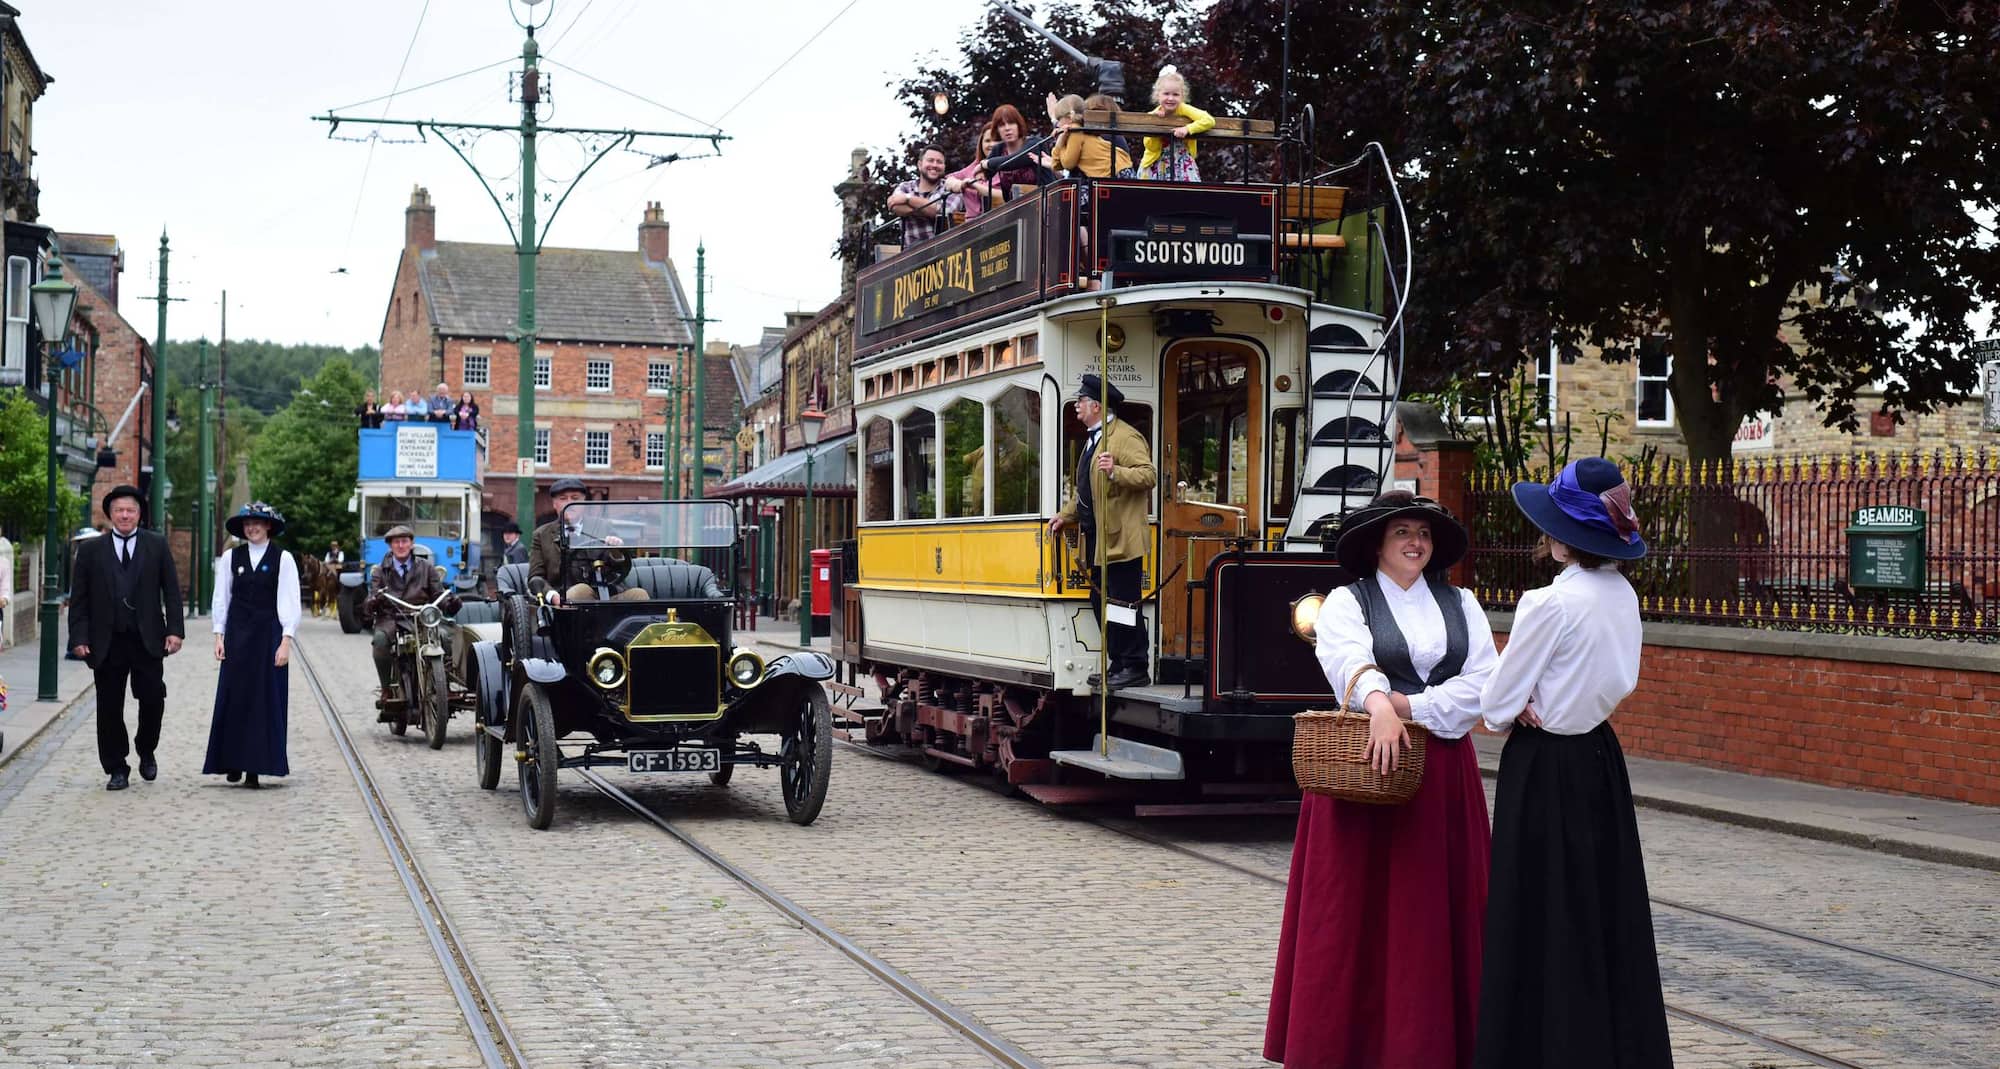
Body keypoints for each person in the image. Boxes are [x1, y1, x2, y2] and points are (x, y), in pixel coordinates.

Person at [1263, 491, 1498, 1069]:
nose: (1416, 543)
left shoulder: (1461, 602)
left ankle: (1434, 1044)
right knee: (1354, 914)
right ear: (1379, 544)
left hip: (1442, 772)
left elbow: (1486, 682)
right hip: (1366, 767)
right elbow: (1345, 660)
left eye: (1423, 533)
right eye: (1403, 533)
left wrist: (1406, 706)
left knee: (1433, 913)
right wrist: (1379, 704)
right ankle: (1345, 1045)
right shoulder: (1348, 601)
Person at [1474, 458, 1672, 1069]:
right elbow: (1620, 682)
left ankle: (1540, 1049)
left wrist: (1528, 703)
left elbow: (1496, 705)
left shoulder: (1546, 605)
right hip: (1599, 756)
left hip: (1544, 766)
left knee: (1542, 913)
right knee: (1600, 908)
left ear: (1564, 535)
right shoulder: (1624, 595)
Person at [67, 485, 186, 791]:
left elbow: (171, 591)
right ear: (109, 514)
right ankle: (116, 766)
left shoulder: (156, 545)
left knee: (152, 698)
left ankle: (146, 749)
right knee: (108, 706)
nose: (124, 515)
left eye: (130, 510)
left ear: (139, 514)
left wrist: (175, 629)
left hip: (148, 639)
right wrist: (79, 637)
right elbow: (79, 599)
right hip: (106, 641)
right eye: (119, 510)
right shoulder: (92, 551)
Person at [1047, 374, 1156, 689]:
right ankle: (1119, 663)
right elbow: (1087, 489)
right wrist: (1065, 515)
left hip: (1121, 538)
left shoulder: (1124, 437)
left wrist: (1116, 471)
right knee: (1102, 603)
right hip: (1099, 538)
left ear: (1096, 405)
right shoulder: (1095, 438)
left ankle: (1135, 666)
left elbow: (1148, 476)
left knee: (1122, 603)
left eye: (1081, 401)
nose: (1077, 406)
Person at [203, 503, 299, 788]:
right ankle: (232, 760)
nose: (252, 528)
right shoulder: (232, 557)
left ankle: (256, 767)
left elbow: (289, 600)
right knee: (235, 697)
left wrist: (286, 640)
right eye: (247, 524)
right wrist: (219, 635)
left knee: (263, 699)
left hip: (268, 633)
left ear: (268, 526)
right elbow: (222, 597)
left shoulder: (283, 559)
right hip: (238, 634)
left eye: (257, 523)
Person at [366, 524, 447, 701]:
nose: (401, 545)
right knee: (379, 642)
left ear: (411, 544)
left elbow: (438, 593)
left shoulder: (426, 567)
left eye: (404, 541)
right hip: (390, 619)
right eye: (396, 542)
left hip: (420, 618)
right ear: (390, 546)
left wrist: (450, 601)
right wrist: (373, 601)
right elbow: (371, 596)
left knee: (445, 637)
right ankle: (386, 687)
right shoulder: (380, 571)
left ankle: (441, 684)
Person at [529, 478, 638, 604]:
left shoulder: (602, 527)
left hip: (606, 595)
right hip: (565, 601)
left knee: (638, 595)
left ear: (584, 502)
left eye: (575, 498)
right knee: (581, 591)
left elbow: (622, 567)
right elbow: (535, 576)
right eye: (563, 499)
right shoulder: (542, 535)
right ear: (554, 504)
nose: (570, 503)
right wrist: (552, 596)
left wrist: (616, 551)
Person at [1139, 65, 1214, 182]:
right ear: (1158, 95)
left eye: (1175, 94)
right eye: (1166, 94)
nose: (1170, 98)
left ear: (1182, 96)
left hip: (1181, 162)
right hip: (1157, 162)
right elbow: (1150, 146)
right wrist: (1157, 123)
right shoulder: (1152, 115)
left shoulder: (1183, 109)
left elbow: (1208, 120)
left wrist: (1187, 129)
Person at [984, 104, 1056, 202]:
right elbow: (982, 174)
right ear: (997, 130)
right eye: (1002, 125)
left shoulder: (1035, 143)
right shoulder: (998, 150)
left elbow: (1017, 160)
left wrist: (986, 164)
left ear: (1019, 124)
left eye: (1011, 123)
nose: (1007, 128)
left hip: (1046, 205)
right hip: (1014, 211)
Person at [1051, 93, 1133, 179]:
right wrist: (1060, 142)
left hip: (1116, 174)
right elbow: (1056, 165)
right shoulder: (1080, 131)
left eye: (1059, 119)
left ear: (1070, 118)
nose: (1058, 124)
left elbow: (1068, 164)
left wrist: (1060, 143)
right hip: (1123, 171)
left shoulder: (1076, 130)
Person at [888, 145, 958, 247]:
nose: (935, 165)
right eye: (930, 160)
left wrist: (908, 199)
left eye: (939, 162)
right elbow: (894, 205)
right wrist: (929, 211)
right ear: (920, 164)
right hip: (911, 255)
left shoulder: (951, 188)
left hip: (943, 252)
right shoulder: (905, 187)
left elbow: (945, 212)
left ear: (944, 166)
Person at [943, 122, 999, 219]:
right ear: (981, 143)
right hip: (972, 228)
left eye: (997, 140)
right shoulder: (974, 167)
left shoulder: (1009, 166)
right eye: (987, 140)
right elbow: (948, 180)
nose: (992, 144)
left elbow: (1007, 196)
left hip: (1000, 222)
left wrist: (973, 185)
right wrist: (957, 183)